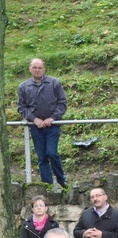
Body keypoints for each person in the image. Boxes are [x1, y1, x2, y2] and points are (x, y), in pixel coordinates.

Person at [17, 58, 68, 187]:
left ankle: (62, 180)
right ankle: (48, 184)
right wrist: (34, 119)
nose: (37, 70)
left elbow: (62, 103)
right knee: (42, 157)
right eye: (35, 67)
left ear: (44, 69)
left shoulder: (54, 83)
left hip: (53, 125)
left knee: (52, 152)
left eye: (40, 67)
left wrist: (53, 118)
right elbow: (21, 107)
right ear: (30, 69)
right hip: (36, 127)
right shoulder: (24, 86)